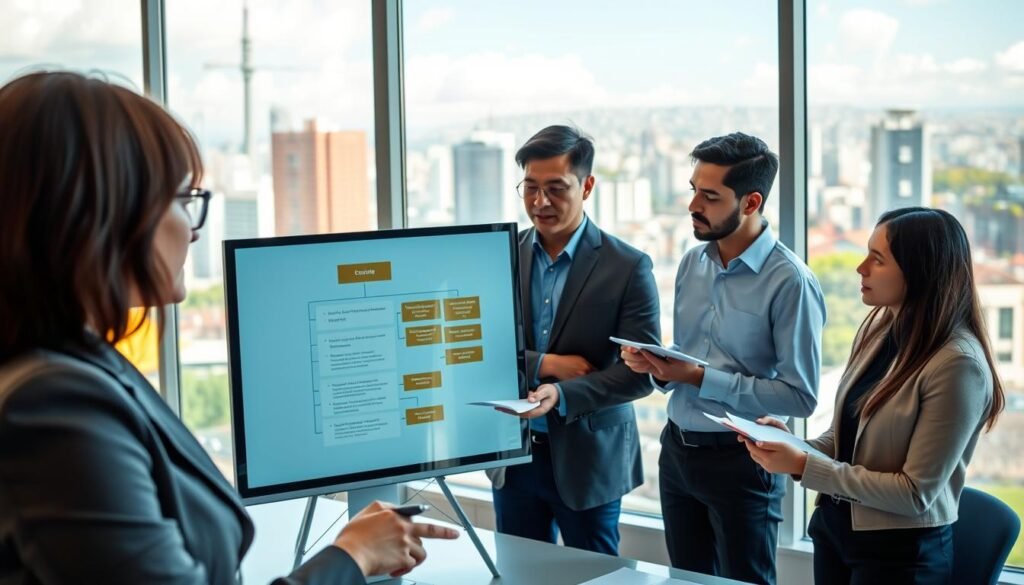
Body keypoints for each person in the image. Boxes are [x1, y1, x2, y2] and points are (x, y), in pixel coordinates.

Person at [0, 71, 458, 584]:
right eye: (180, 200)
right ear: (102, 214)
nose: (193, 230)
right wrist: (351, 557)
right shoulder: (53, 408)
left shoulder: (74, 363)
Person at [743, 207, 1004, 584]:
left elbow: (914, 494)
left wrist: (803, 465)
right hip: (836, 531)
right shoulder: (881, 332)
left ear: (920, 270)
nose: (860, 268)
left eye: (877, 259)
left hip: (900, 556)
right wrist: (791, 445)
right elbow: (847, 437)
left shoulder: (958, 365)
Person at [620, 132, 826, 584]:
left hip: (743, 463)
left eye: (710, 196)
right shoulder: (692, 263)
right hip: (677, 453)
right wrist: (659, 368)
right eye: (694, 189)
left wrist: (697, 376)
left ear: (751, 203)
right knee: (686, 580)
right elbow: (689, 359)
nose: (693, 205)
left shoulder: (790, 282)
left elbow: (801, 397)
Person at [485, 125, 661, 555]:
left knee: (597, 574)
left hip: (589, 459)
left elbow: (640, 376)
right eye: (530, 188)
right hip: (515, 454)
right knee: (519, 572)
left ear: (587, 186)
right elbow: (477, 350)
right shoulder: (499, 256)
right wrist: (547, 364)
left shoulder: (627, 266)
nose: (539, 202)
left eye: (555, 188)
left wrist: (562, 393)